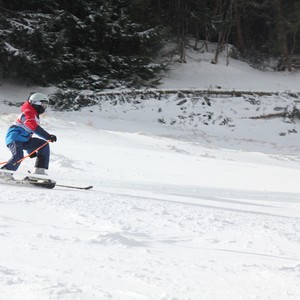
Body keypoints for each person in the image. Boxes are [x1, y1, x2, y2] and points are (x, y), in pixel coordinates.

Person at [1, 92, 57, 178]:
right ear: (36, 103)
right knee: (18, 156)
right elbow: (32, 126)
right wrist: (48, 136)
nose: (45, 108)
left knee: (43, 145)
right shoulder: (28, 112)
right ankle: (5, 172)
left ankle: (39, 171)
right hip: (15, 138)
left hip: (25, 140)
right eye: (44, 105)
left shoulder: (34, 114)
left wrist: (30, 151)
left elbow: (29, 132)